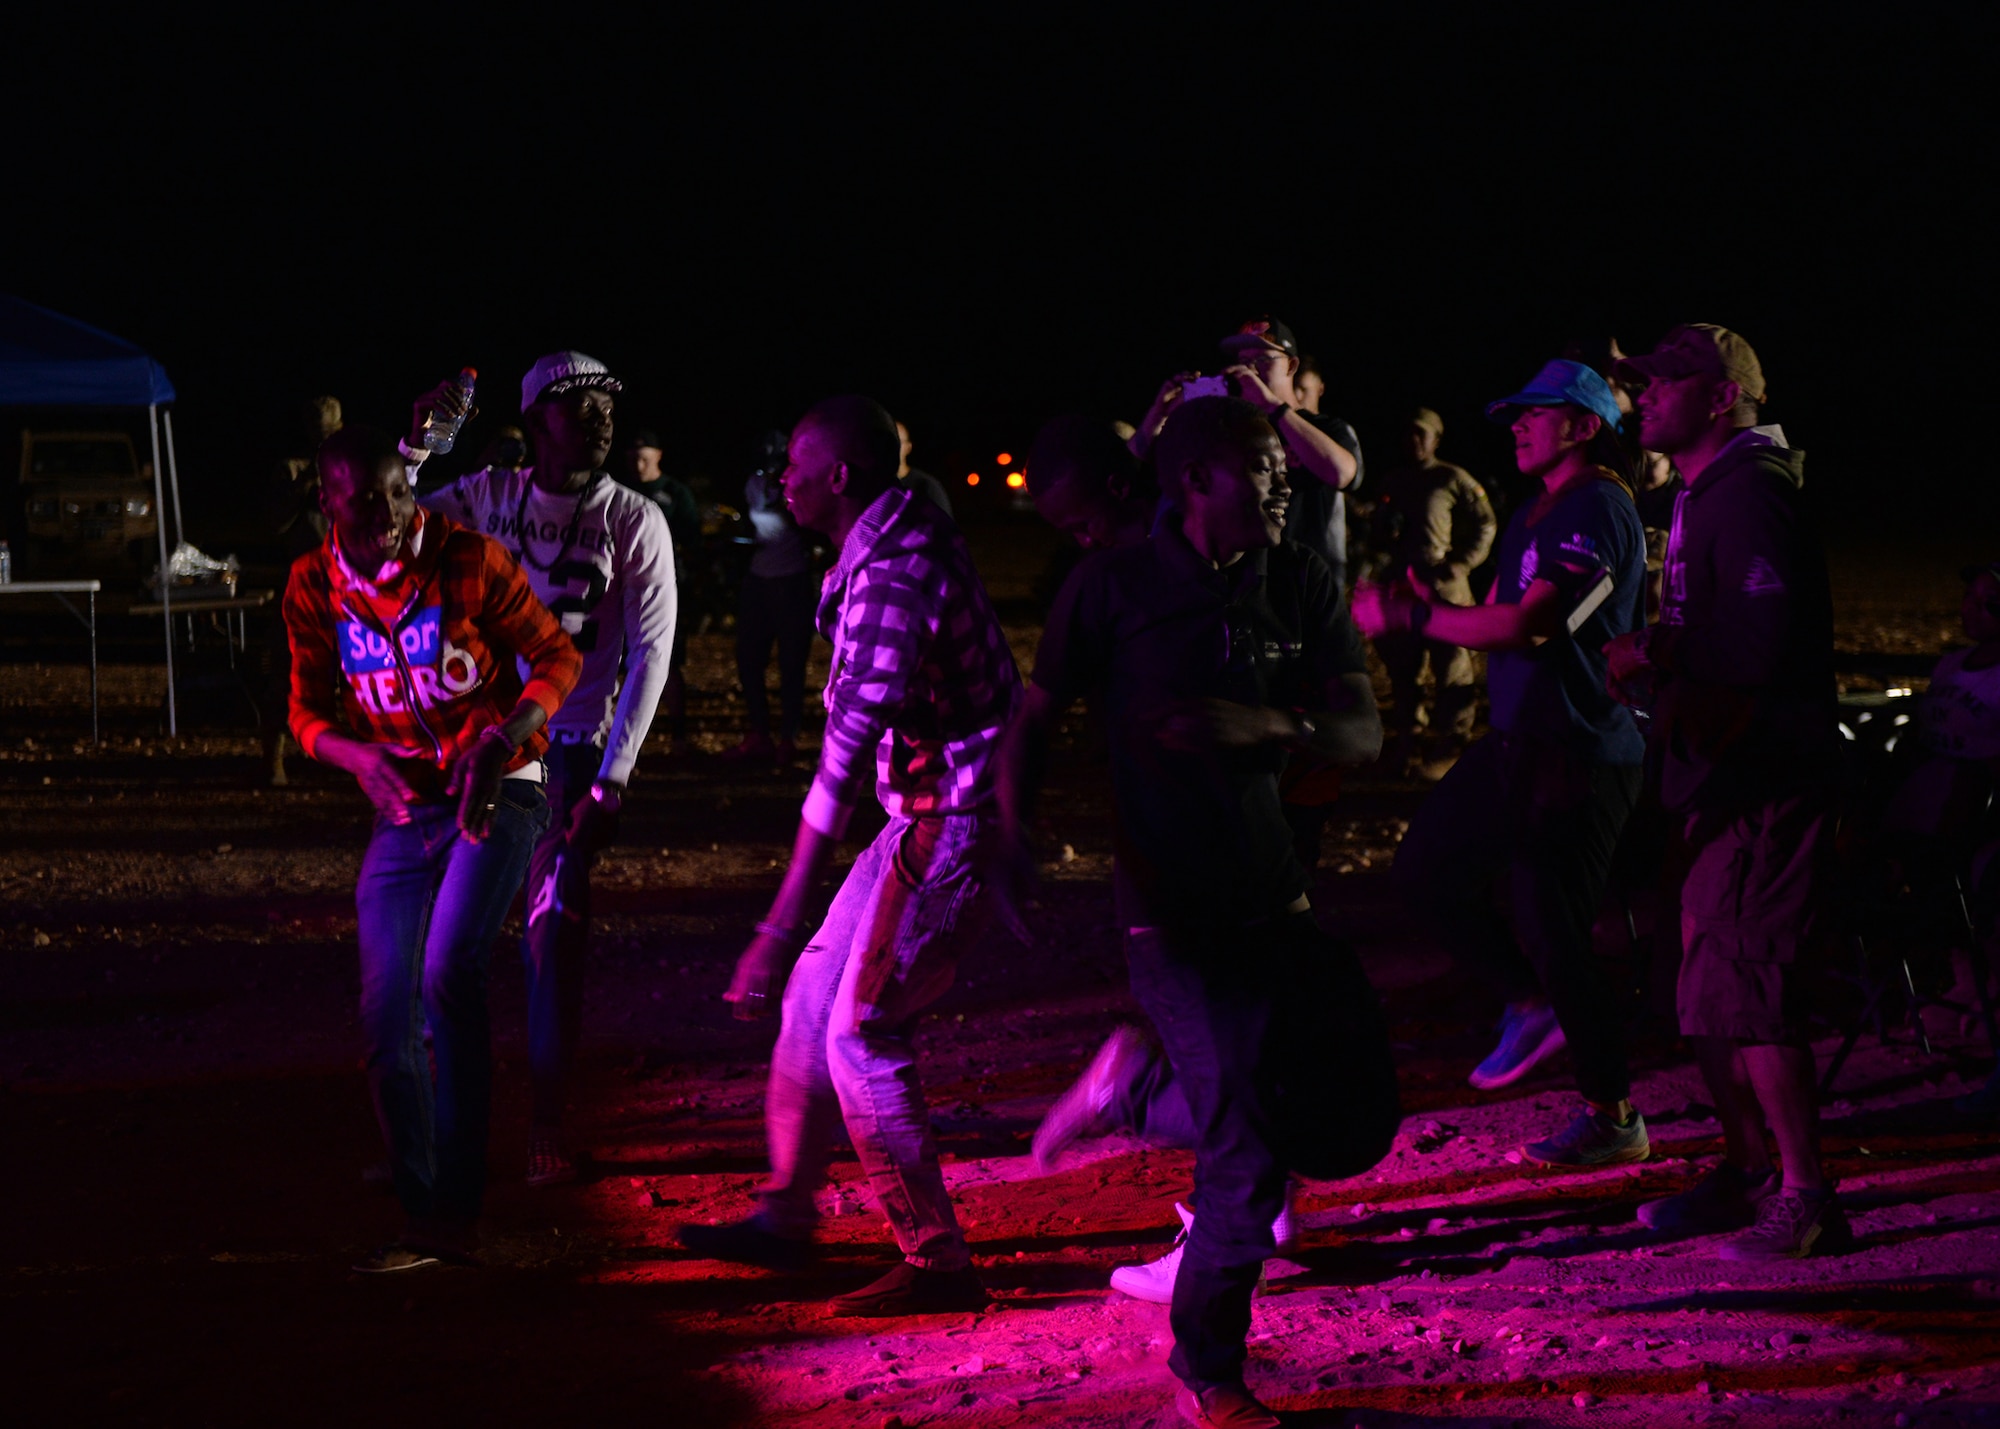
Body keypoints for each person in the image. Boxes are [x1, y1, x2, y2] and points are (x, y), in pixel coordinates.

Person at [1003, 397, 1390, 1429]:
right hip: (1171, 913)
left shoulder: (1298, 579)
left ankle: (1132, 1093)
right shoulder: (1111, 586)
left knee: (1340, 1111)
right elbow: (1033, 717)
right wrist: (1009, 831)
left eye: (1279, 468)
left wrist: (1266, 721)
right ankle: (1206, 1369)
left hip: (1277, 897)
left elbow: (1360, 734)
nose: (1279, 481)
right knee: (1247, 1150)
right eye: (1259, 466)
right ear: (1194, 481)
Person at [678, 395, 1021, 1316]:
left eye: (796, 463)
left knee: (860, 1033)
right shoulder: (895, 537)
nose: (780, 477)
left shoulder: (893, 575)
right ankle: (787, 1217)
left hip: (948, 821)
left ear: (840, 477)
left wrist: (776, 918)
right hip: (925, 811)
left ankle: (940, 1263)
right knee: (810, 1003)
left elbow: (837, 763)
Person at [284, 424, 580, 1270]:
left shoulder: (468, 559)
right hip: (404, 808)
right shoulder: (312, 586)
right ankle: (421, 1188)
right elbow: (305, 713)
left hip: (501, 787)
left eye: (400, 492)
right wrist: (355, 755)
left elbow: (556, 656)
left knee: (451, 971)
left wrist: (511, 733)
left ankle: (451, 1211)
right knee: (385, 1010)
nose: (389, 512)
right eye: (366, 496)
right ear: (327, 501)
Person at [1357, 359, 1649, 1167]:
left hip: (1579, 752)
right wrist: (1434, 607)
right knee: (1426, 871)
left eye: (1535, 412)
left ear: (1585, 426)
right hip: (1522, 743)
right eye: (1513, 414)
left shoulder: (1597, 505)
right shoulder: (1537, 509)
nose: (1516, 424)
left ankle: (1612, 1111)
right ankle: (1528, 999)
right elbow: (1499, 616)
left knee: (1554, 927)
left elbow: (1534, 624)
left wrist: (1415, 614)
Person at [1605, 324, 1851, 1258]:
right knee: (1710, 983)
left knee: (1747, 984)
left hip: (1762, 782)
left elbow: (1755, 650)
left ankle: (1806, 1194)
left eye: (1667, 380)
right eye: (1641, 381)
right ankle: (1751, 1168)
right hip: (1722, 775)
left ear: (1721, 397)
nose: (1646, 395)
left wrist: (1652, 650)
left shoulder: (1749, 496)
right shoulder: (1709, 494)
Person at [411, 352, 677, 1186]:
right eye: (575, 403)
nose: (598, 415)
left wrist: (615, 776)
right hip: (473, 745)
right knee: (443, 937)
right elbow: (391, 527)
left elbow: (652, 651)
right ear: (533, 421)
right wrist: (417, 449)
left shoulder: (634, 519)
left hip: (566, 751)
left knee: (550, 934)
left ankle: (548, 1117)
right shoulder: (490, 497)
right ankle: (437, 1127)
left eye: (605, 400)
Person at [1130, 317, 1364, 592]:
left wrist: (1272, 405)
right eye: (1243, 361)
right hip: (1242, 583)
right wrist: (1158, 415)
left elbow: (1343, 473)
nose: (1251, 370)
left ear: (1291, 365)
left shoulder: (1324, 428)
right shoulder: (1228, 432)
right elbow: (1132, 473)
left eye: (1263, 360)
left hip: (1304, 581)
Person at [1371, 408, 1497, 770]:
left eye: (1421, 434)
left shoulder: (1452, 478)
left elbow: (1486, 523)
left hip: (1444, 586)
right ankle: (1409, 741)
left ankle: (1452, 746)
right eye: (1408, 434)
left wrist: (1463, 561)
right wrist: (1384, 530)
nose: (1413, 441)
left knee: (1453, 667)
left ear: (1436, 439)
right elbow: (1378, 536)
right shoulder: (1393, 481)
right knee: (1404, 668)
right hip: (1404, 585)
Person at [261, 395, 343, 787]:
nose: (323, 440)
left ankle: (346, 760)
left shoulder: (350, 468)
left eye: (330, 434)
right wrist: (304, 485)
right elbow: (275, 524)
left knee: (358, 678)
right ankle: (273, 759)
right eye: (318, 433)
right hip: (301, 585)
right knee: (285, 674)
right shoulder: (291, 471)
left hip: (346, 586)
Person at [722, 429, 815, 764]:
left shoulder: (797, 484)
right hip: (759, 579)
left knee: (791, 663)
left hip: (791, 580)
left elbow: (809, 525)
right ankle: (759, 732)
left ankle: (788, 737)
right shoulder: (752, 482)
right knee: (749, 659)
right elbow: (748, 524)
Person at [616, 428, 700, 751]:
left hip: (665, 590)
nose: (638, 464)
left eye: (644, 457)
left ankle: (678, 734)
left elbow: (693, 540)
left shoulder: (675, 493)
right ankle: (619, 736)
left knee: (667, 660)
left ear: (658, 456)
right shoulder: (620, 492)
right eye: (633, 457)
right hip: (622, 588)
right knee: (619, 662)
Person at [895, 419, 955, 516]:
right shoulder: (874, 485)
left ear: (908, 447)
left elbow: (945, 529)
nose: (893, 447)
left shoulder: (927, 487)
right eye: (888, 441)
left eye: (899, 441)